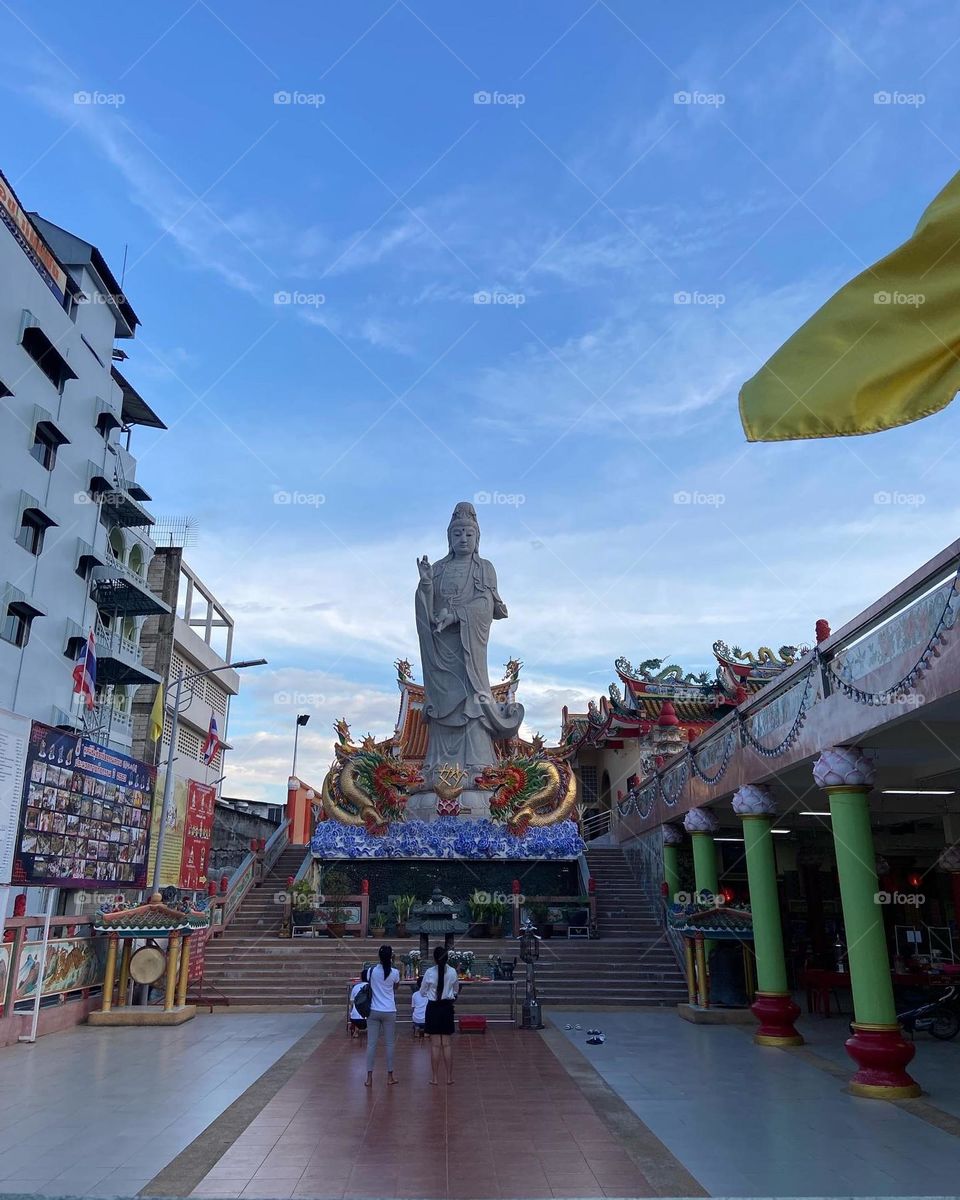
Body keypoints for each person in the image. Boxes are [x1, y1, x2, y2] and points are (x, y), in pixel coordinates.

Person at [419, 945, 459, 1084]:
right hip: (447, 1008)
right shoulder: (453, 972)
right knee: (447, 1045)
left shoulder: (429, 972)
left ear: (435, 959)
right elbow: (455, 991)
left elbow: (422, 991)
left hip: (433, 1008)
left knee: (435, 1045)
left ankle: (435, 1078)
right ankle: (449, 1077)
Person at [365, 945, 400, 1087]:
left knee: (371, 1044)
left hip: (373, 1010)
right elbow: (395, 987)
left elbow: (368, 983)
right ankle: (390, 1075)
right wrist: (394, 962)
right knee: (390, 1044)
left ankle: (369, 1077)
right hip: (389, 1010)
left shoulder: (371, 971)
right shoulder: (395, 972)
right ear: (391, 957)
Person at [348, 967, 369, 1038]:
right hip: (368, 1019)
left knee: (356, 1007)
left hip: (354, 1019)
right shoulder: (372, 987)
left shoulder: (355, 987)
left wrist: (350, 1014)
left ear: (361, 977)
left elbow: (351, 1003)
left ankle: (356, 1030)